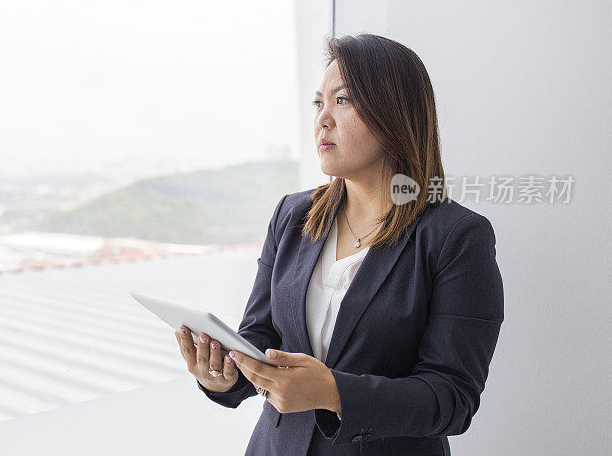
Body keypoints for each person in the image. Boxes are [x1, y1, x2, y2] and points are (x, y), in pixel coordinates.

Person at [174, 33, 504, 455]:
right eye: (318, 103)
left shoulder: (456, 237)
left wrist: (334, 393)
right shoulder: (292, 216)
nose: (322, 119)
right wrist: (223, 377)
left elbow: (453, 398)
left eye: (343, 101)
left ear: (394, 114)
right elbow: (260, 335)